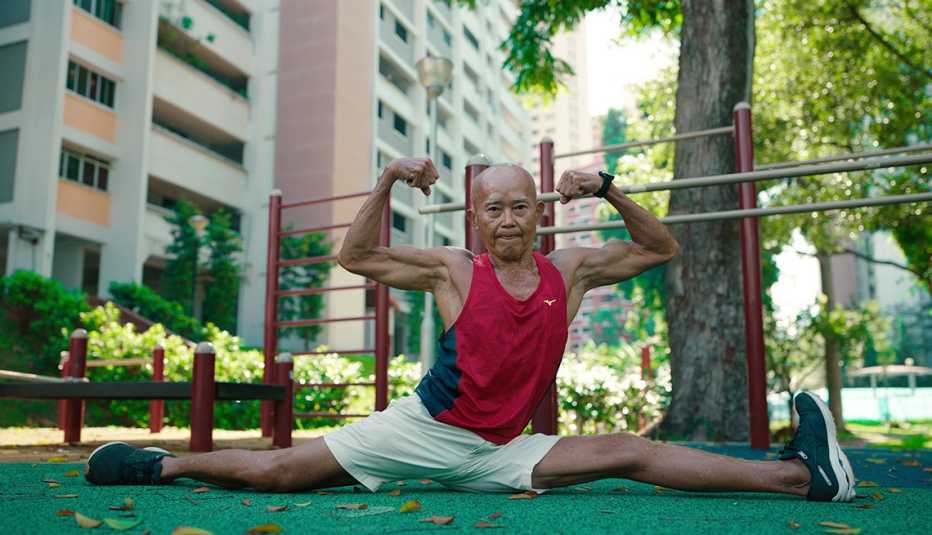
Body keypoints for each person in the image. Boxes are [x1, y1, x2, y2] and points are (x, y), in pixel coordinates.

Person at [85, 158, 855, 502]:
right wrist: (386, 180)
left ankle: (800, 475)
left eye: (521, 204)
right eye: (495, 207)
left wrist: (612, 187)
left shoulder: (571, 270)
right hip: (425, 431)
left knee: (633, 451)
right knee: (287, 470)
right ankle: (167, 468)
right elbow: (355, 255)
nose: (510, 217)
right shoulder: (453, 269)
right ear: (476, 219)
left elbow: (663, 247)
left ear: (538, 212)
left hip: (504, 450)